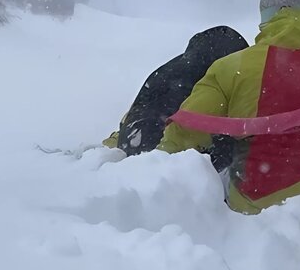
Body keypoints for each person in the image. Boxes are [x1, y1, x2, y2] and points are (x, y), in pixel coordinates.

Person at [158, 0, 300, 213]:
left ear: (266, 19)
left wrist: (153, 164)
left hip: (258, 206)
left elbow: (187, 130)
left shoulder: (232, 67)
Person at [103, 26, 248, 170]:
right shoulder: (207, 84)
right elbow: (192, 130)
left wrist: (115, 143)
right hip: (158, 163)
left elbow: (140, 109)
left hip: (129, 143)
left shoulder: (170, 71)